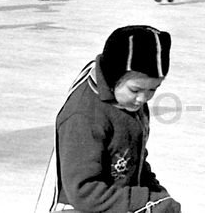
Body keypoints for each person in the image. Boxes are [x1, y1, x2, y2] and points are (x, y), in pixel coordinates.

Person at [48, 25, 180, 213]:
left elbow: (131, 155)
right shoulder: (84, 117)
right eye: (135, 90)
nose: (143, 98)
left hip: (115, 202)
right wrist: (145, 200)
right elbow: (83, 192)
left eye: (153, 89)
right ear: (113, 77)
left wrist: (155, 194)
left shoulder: (125, 101)